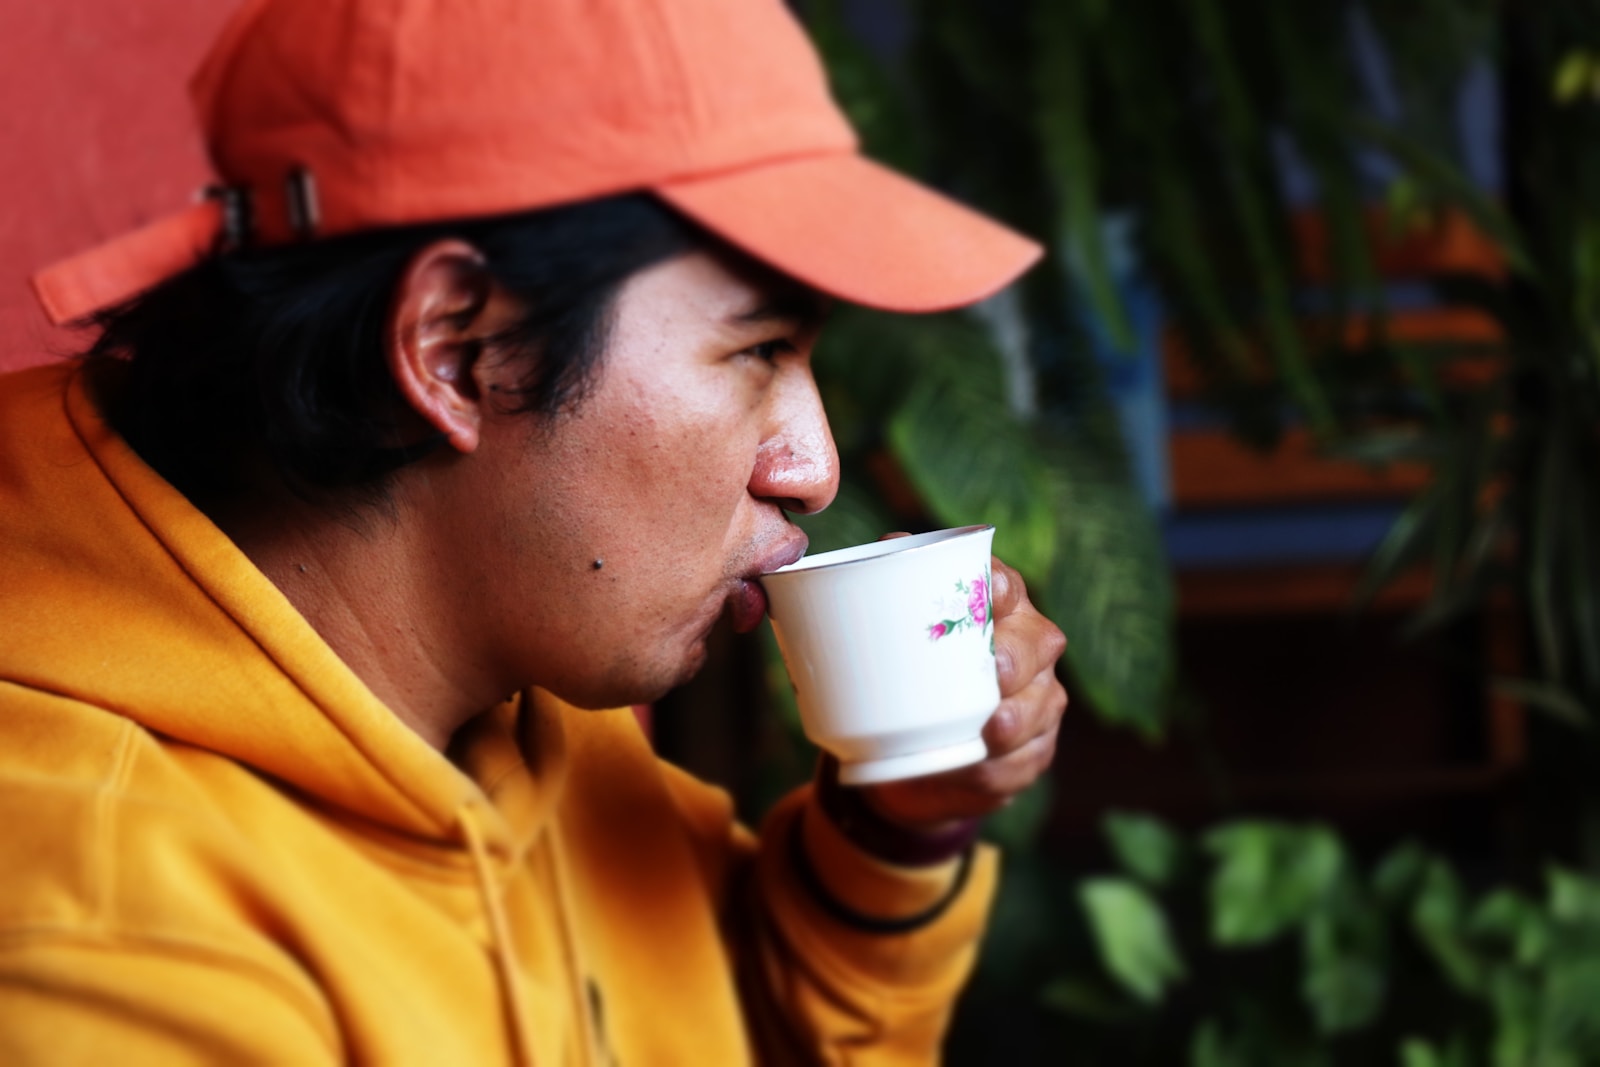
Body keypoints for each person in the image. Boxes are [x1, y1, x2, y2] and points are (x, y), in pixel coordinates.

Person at [0, 0, 1068, 1062]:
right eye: (758, 351)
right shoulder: (109, 939)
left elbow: (728, 1023)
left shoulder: (517, 680)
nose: (812, 467)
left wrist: (894, 825)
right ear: (459, 350)